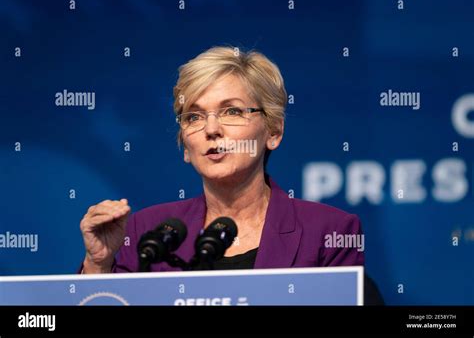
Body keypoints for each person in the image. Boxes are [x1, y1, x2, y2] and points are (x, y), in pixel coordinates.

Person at [79, 46, 382, 304]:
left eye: (232, 111)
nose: (211, 129)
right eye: (194, 117)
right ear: (186, 146)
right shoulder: (147, 231)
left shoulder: (329, 231)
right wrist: (98, 262)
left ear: (274, 131)